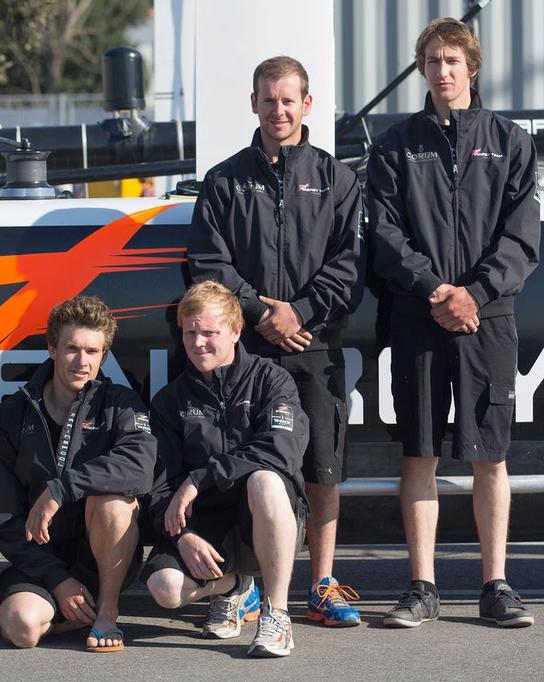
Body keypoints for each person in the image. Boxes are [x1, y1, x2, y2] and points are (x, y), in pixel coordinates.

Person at [367, 18, 539, 628]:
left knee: (490, 456)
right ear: (423, 70)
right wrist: (437, 289)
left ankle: (496, 584)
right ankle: (422, 586)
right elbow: (384, 236)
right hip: (417, 315)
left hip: (487, 320)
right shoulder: (393, 145)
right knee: (419, 454)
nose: (442, 71)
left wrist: (476, 291)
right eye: (432, 61)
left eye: (452, 61)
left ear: (472, 68)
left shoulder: (510, 141)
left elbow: (523, 239)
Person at [187, 55, 365, 630]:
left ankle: (320, 583)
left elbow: (350, 265)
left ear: (307, 105)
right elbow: (207, 265)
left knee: (321, 466)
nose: (279, 109)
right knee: (252, 466)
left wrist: (301, 311)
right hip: (247, 350)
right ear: (253, 103)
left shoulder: (338, 180)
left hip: (312, 343)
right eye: (269, 98)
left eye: (289, 99)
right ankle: (252, 587)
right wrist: (261, 311)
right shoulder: (223, 180)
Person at [0, 296, 156, 652]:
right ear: (51, 348)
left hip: (102, 557)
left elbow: (140, 467)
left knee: (113, 500)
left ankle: (105, 612)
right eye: (72, 348)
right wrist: (57, 580)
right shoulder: (11, 415)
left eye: (92, 351)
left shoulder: (121, 403)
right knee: (21, 628)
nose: (82, 361)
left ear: (104, 356)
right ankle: (72, 612)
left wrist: (63, 488)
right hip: (40, 562)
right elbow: (2, 518)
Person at [142, 281, 309, 658]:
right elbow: (160, 486)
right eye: (190, 332)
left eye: (209, 332)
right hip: (206, 530)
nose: (198, 342)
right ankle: (234, 586)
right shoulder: (169, 401)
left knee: (264, 479)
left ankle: (277, 614)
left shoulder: (272, 380)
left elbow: (282, 450)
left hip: (262, 519)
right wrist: (183, 536)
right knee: (165, 588)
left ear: (236, 331)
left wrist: (201, 478)